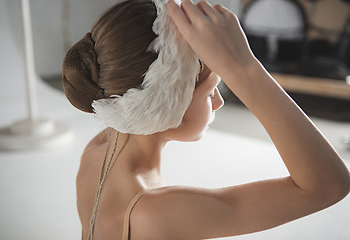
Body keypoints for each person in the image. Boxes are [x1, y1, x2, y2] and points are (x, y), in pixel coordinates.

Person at [62, 0, 350, 239]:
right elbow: (328, 186)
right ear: (164, 106)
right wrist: (244, 69)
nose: (219, 101)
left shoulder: (96, 149)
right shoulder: (156, 212)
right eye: (210, 91)